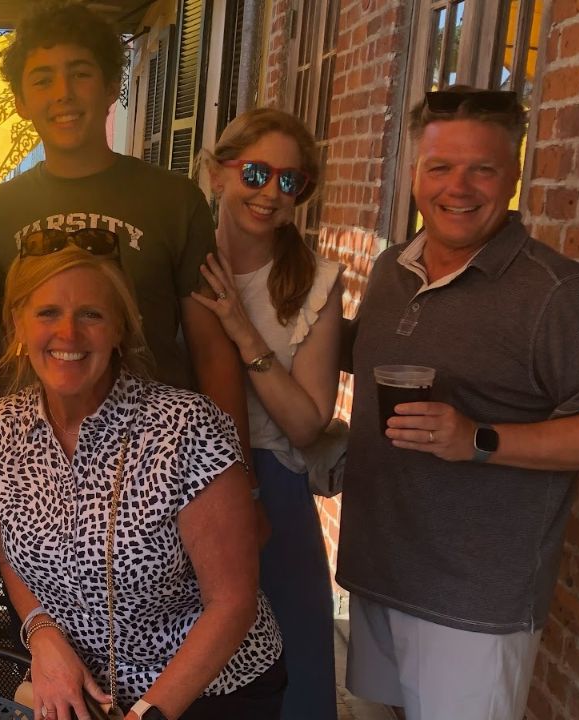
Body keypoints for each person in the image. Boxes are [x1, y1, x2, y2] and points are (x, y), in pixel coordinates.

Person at [337, 86, 579, 720]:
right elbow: (360, 355)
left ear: (512, 176)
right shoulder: (393, 268)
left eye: (483, 168)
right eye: (440, 167)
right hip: (380, 572)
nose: (460, 186)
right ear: (414, 174)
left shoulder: (556, 293)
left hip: (475, 603)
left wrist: (480, 438)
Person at [0, 245, 285, 720]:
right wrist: (42, 634)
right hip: (80, 693)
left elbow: (232, 603)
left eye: (91, 314)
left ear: (119, 328)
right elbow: (4, 554)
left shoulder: (186, 427)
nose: (68, 333)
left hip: (208, 691)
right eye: (48, 312)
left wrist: (148, 714)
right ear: (18, 326)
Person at [0, 0, 250, 466]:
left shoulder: (174, 200)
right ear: (22, 102)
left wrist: (241, 472)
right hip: (46, 456)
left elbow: (210, 348)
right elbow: (4, 342)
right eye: (42, 80)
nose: (63, 93)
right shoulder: (1, 210)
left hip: (160, 455)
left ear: (110, 87)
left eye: (80, 73)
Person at [193, 108, 341, 719]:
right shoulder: (182, 260)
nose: (270, 194)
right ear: (216, 173)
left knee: (296, 673)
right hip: (183, 487)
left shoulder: (314, 282)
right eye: (256, 173)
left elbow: (308, 424)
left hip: (274, 488)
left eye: (291, 182)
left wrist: (241, 330)